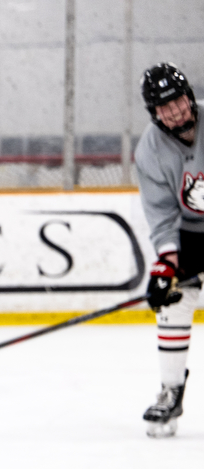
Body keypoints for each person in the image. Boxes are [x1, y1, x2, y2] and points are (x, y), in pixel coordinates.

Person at [136, 62, 203, 437]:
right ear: (154, 113)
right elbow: (161, 215)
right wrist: (166, 266)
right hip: (189, 231)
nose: (174, 111)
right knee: (174, 301)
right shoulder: (150, 148)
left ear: (188, 96)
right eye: (163, 107)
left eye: (176, 101)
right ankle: (171, 390)